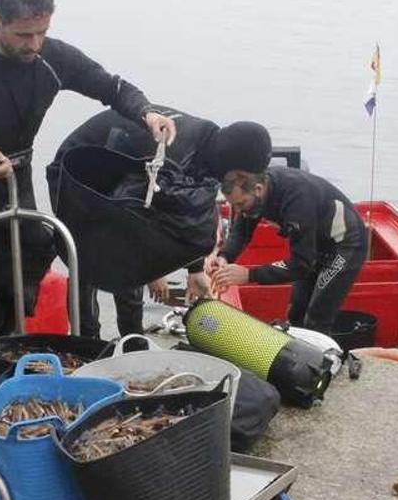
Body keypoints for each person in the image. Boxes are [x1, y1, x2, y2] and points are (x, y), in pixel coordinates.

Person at [0, 0, 176, 349]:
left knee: (28, 265)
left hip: (16, 181)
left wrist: (146, 113)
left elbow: (111, 87)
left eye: (42, 32)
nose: (34, 44)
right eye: (23, 35)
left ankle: (7, 346)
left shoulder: (52, 57)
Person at [46, 106, 273, 337]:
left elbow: (184, 214)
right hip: (76, 172)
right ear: (234, 164)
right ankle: (87, 338)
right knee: (92, 259)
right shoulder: (175, 152)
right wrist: (153, 271)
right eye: (242, 176)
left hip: (120, 180)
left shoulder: (209, 153)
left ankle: (132, 339)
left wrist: (195, 270)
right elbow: (130, 219)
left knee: (126, 261)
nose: (240, 184)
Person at [207, 155, 367, 333]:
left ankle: (323, 357)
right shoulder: (254, 193)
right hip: (315, 241)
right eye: (233, 205)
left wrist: (248, 275)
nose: (238, 210)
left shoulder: (297, 199)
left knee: (317, 316)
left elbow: (301, 264)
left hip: (345, 243)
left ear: (258, 189)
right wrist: (224, 256)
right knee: (296, 312)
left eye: (240, 204)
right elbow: (241, 231)